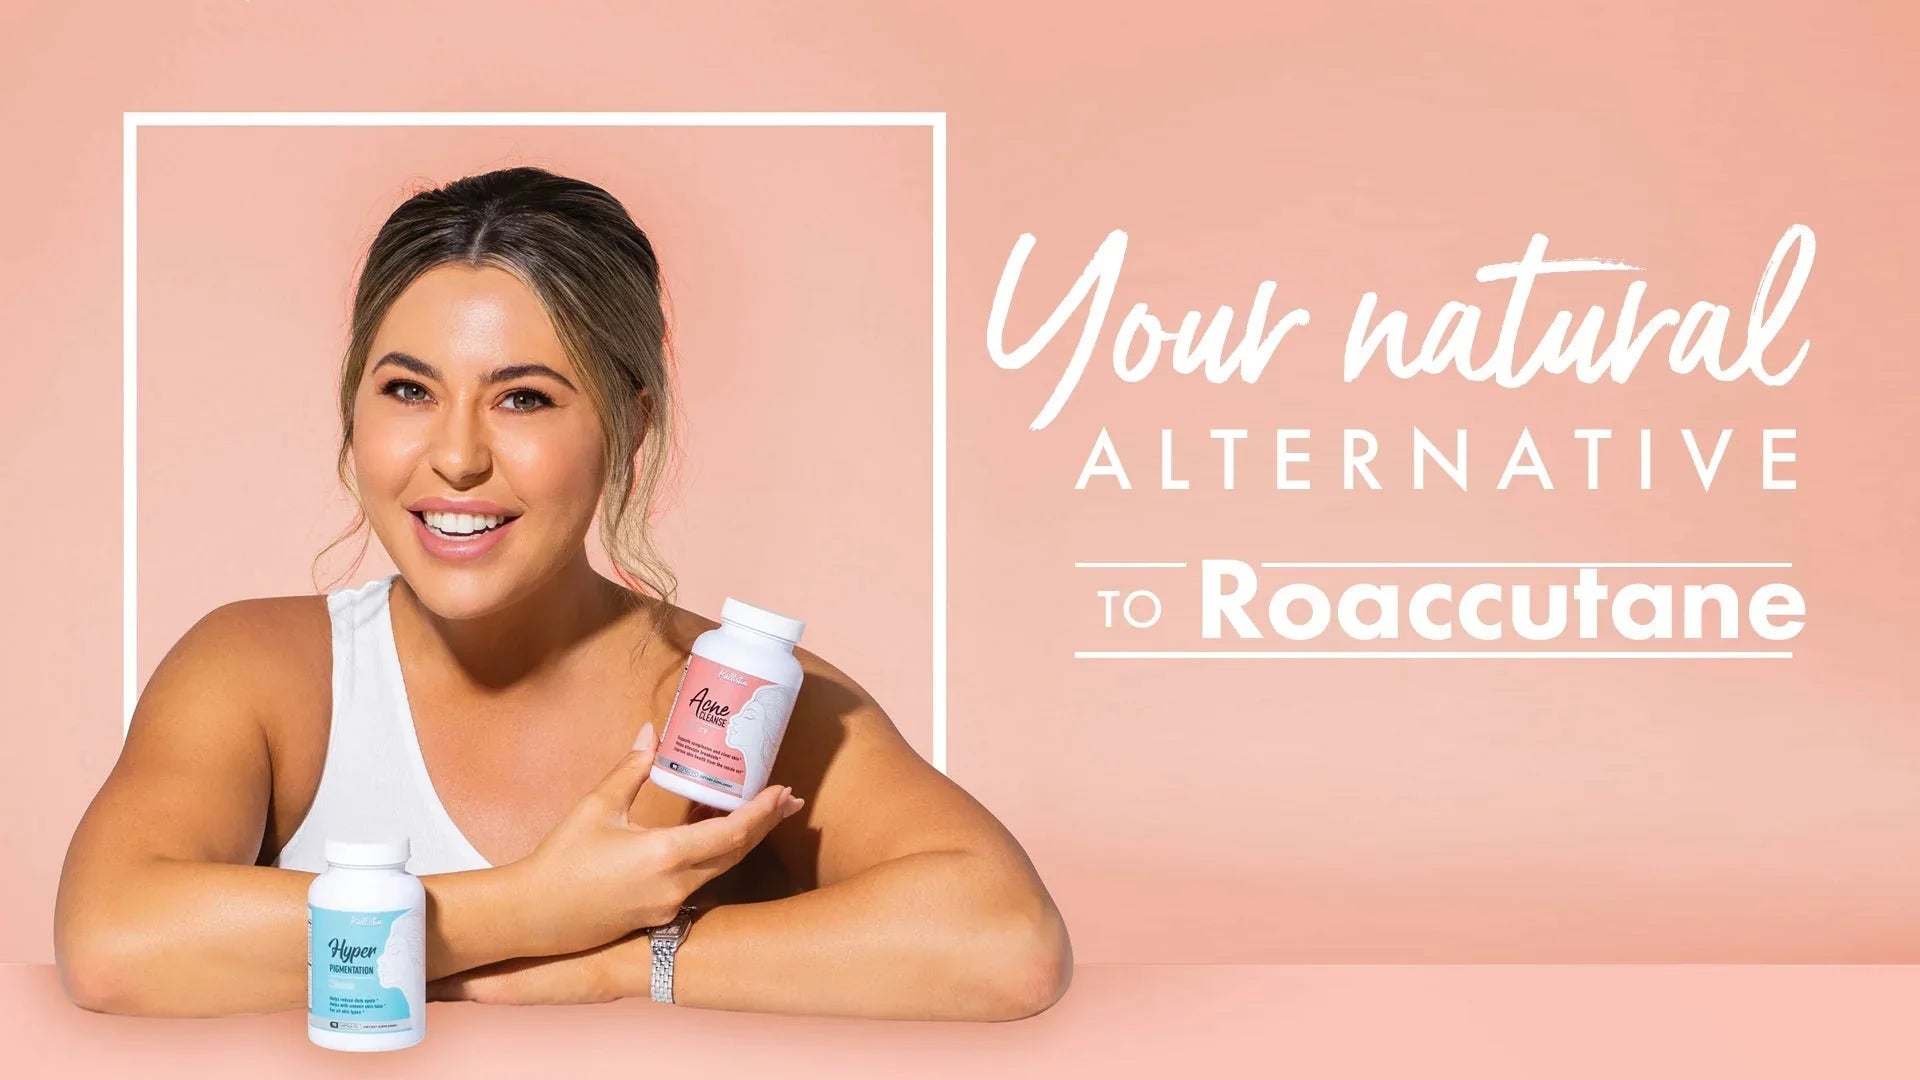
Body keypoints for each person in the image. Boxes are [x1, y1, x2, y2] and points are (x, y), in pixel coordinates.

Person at [54, 165, 1071, 1022]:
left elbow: (1003, 941)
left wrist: (617, 961)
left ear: (628, 426)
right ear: (353, 406)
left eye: (525, 398)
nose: (454, 456)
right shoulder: (263, 672)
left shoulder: (732, 697)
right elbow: (114, 941)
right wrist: (525, 910)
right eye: (407, 390)